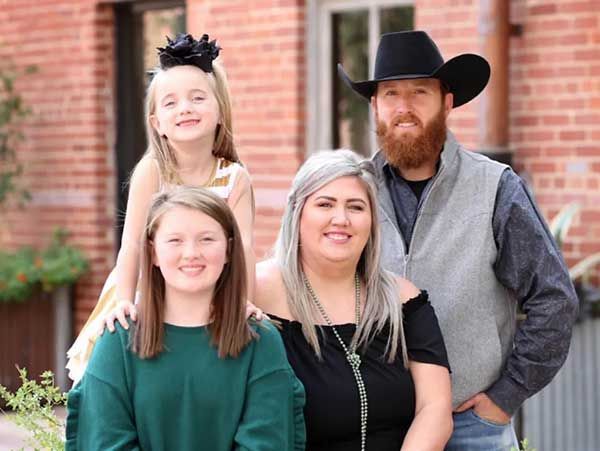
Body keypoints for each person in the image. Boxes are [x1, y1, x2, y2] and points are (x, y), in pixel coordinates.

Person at [338, 30, 578, 450]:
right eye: (391, 93)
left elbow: (555, 299)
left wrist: (505, 398)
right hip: (375, 426)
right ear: (375, 105)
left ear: (447, 101)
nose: (404, 107)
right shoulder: (354, 192)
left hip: (471, 427)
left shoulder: (495, 188)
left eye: (420, 92)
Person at [66, 33, 256, 384]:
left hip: (208, 292)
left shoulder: (234, 178)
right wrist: (126, 299)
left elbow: (242, 247)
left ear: (219, 111)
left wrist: (244, 301)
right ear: (157, 123)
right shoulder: (152, 171)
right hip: (148, 291)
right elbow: (133, 243)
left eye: (198, 98)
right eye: (170, 103)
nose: (185, 108)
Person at [65, 187, 305, 451]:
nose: (191, 253)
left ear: (228, 250)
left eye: (206, 239)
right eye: (175, 240)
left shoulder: (260, 343)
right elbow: (105, 442)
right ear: (153, 252)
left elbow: (266, 442)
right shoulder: (118, 341)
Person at [255, 149, 453, 450]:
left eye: (356, 207)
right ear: (297, 213)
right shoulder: (256, 292)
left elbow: (435, 409)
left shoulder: (404, 300)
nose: (341, 219)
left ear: (372, 221)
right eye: (325, 204)